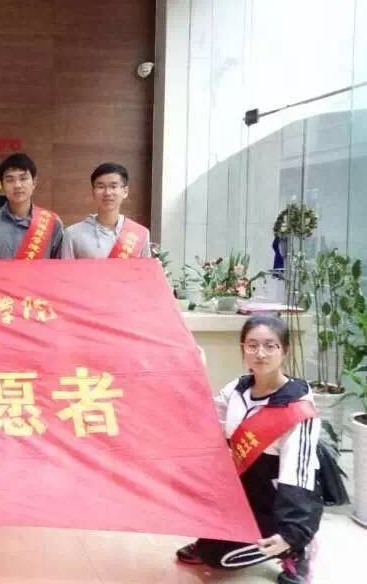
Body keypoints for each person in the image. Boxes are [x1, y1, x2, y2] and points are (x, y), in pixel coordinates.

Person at [176, 315, 321, 584]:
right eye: (252, 345)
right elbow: (204, 424)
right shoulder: (237, 389)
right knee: (207, 546)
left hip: (278, 495)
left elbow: (297, 474)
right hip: (243, 486)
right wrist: (193, 373)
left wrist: (292, 531)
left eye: (270, 345)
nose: (260, 353)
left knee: (220, 558)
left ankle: (298, 547)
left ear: (284, 350)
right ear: (242, 348)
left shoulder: (298, 408)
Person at [0, 153, 63, 260]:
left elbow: (59, 266)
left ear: (34, 183)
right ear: (2, 185)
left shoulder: (53, 222)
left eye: (23, 178)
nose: (17, 185)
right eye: (10, 180)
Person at [61, 162, 151, 259]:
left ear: (125, 192)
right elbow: (65, 269)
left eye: (113, 186)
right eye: (101, 187)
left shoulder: (139, 234)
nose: (107, 193)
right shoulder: (73, 234)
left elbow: (146, 268)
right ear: (93, 192)